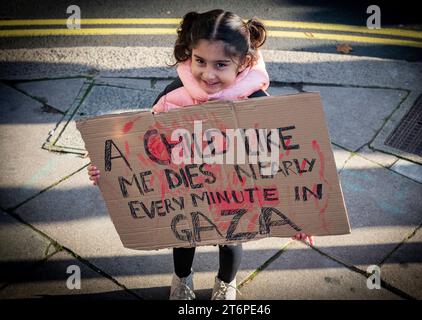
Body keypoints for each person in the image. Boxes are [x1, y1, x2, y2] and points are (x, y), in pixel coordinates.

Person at [87, 9, 314, 300]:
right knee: (182, 236)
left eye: (221, 64)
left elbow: (284, 164)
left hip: (237, 195)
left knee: (232, 239)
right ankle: (181, 280)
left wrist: (300, 215)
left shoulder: (259, 105)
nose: (208, 74)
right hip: (185, 193)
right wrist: (106, 169)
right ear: (189, 54)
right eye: (200, 61)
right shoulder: (172, 96)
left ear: (243, 62)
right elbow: (141, 146)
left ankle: (225, 284)